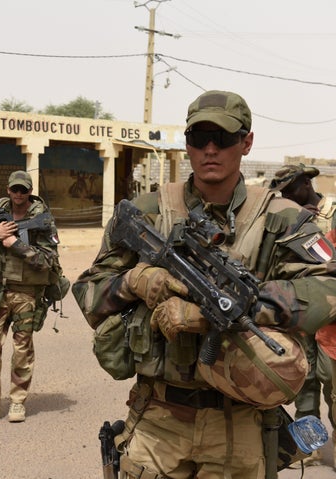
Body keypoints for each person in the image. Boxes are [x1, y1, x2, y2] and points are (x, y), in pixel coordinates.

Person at [72, 90, 336, 478]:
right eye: (199, 138)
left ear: (246, 142)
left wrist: (223, 311)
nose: (210, 149)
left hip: (242, 424)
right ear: (187, 142)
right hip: (157, 416)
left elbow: (328, 290)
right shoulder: (147, 213)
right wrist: (135, 280)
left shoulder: (284, 219)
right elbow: (87, 293)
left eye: (224, 138)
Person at [0, 170, 60, 423]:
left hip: (26, 294)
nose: (18, 194)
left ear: (30, 191)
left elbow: (48, 261)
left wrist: (15, 245)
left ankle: (18, 401)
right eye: (14, 189)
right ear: (8, 190)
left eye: (23, 190)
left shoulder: (42, 220)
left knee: (22, 350)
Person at [270, 163, 336, 467]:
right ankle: (308, 444)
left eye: (290, 189)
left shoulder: (331, 212)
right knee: (303, 379)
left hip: (330, 317)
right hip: (297, 310)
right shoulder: (283, 215)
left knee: (332, 383)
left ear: (306, 183)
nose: (285, 195)